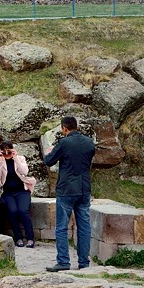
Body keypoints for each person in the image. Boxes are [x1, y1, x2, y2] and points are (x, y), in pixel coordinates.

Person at [43, 116, 95, 271]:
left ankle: (64, 262)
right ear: (76, 127)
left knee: (61, 226)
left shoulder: (64, 143)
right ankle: (84, 263)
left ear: (64, 128)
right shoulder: (88, 142)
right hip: (84, 188)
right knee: (84, 226)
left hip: (66, 189)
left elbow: (49, 161)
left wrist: (49, 152)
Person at [0, 141, 37, 248]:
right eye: (4, 151)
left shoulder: (20, 159)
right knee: (12, 211)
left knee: (23, 210)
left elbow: (24, 171)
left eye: (9, 150)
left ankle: (30, 238)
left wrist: (15, 158)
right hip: (8, 193)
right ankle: (18, 238)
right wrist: (0, 161)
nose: (7, 153)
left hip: (22, 191)